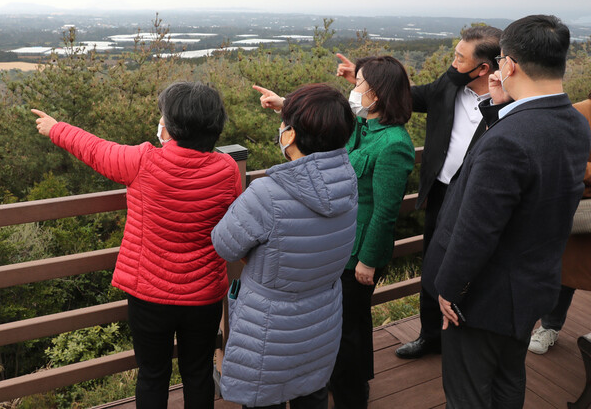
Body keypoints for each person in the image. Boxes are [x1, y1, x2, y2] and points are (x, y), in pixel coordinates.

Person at [33, 81, 242, 409]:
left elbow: (95, 149)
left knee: (152, 374)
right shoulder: (228, 170)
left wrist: (56, 128)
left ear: (172, 126)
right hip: (203, 295)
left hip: (149, 296)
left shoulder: (142, 161)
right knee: (198, 372)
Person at [421, 15, 591, 409]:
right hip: (532, 285)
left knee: (467, 393)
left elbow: (477, 230)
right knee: (508, 378)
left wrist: (449, 288)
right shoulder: (573, 122)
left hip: (483, 297)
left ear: (508, 64)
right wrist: (500, 106)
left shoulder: (510, 140)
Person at [254, 56, 415, 409]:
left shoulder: (394, 144)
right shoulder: (362, 124)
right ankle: (343, 384)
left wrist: (369, 261)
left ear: (378, 93)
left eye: (358, 84)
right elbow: (329, 127)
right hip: (339, 245)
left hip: (359, 255)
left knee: (349, 334)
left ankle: (351, 396)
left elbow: (386, 212)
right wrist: (287, 106)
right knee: (340, 328)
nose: (353, 90)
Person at [336, 25, 502, 359]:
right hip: (440, 192)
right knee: (432, 266)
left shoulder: (506, 104)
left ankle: (467, 338)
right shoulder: (449, 86)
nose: (452, 62)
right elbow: (402, 95)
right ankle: (431, 337)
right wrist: (364, 78)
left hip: (477, 200)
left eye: (459, 57)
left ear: (483, 68)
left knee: (473, 267)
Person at [212, 83, 358, 409]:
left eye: (284, 122)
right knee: (313, 393)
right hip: (322, 317)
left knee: (265, 399)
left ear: (290, 136)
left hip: (270, 327)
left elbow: (224, 244)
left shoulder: (267, 194)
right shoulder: (347, 180)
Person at [528, 90, 591, 354]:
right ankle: (550, 326)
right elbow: (565, 163)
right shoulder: (579, 113)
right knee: (564, 273)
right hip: (581, 210)